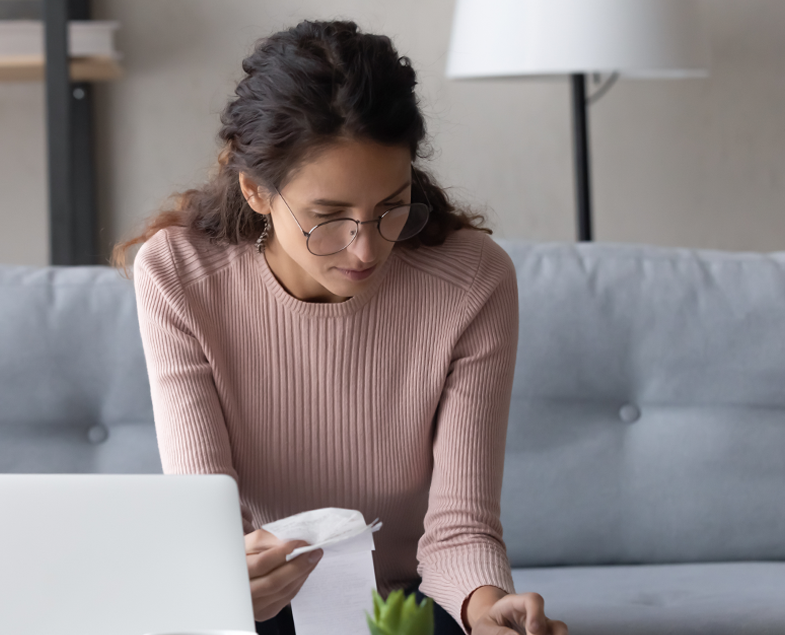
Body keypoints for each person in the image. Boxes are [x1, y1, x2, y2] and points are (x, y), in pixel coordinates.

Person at [114, 19, 568, 635]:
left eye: (391, 208)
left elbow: (460, 527)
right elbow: (208, 523)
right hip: (259, 598)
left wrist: (488, 611)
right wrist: (219, 583)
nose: (364, 250)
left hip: (408, 602)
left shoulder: (471, 280)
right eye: (327, 218)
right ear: (255, 192)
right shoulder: (179, 272)